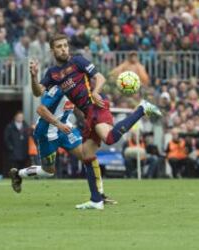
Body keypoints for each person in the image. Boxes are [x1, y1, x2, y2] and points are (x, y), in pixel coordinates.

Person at [29, 33, 161, 209]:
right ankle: (96, 200)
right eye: (59, 46)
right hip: (87, 113)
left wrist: (96, 91)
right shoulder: (52, 74)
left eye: (65, 45)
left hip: (95, 104)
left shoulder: (78, 61)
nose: (63, 49)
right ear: (52, 50)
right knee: (87, 155)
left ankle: (142, 108)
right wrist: (34, 76)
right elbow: (38, 92)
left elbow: (100, 77)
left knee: (110, 138)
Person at [9, 85, 116, 205]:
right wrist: (58, 124)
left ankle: (99, 195)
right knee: (48, 171)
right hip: (47, 133)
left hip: (65, 129)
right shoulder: (58, 90)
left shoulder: (77, 90)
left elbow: (75, 108)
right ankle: (18, 174)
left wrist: (88, 120)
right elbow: (40, 109)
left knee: (88, 156)